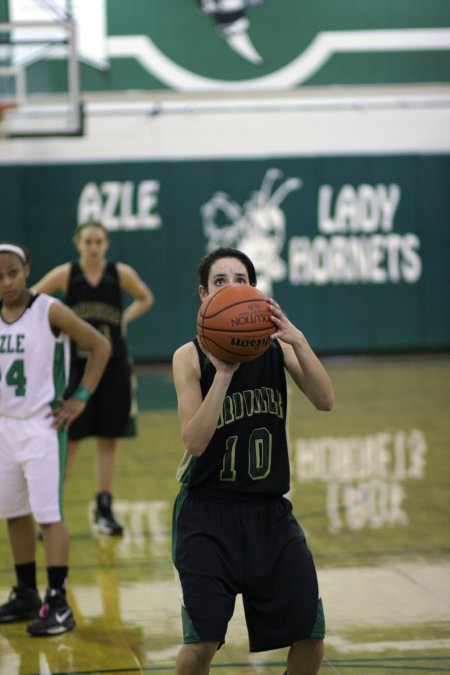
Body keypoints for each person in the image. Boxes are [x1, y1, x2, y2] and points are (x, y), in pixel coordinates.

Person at [171, 247, 335, 675]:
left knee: (311, 640)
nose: (232, 287)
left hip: (270, 515)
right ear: (203, 294)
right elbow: (195, 442)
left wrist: (297, 338)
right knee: (201, 645)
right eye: (220, 281)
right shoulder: (188, 357)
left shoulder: (277, 351)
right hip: (207, 516)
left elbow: (325, 400)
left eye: (241, 279)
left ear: (256, 292)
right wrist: (223, 374)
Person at [0, 242, 111, 636]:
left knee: (48, 514)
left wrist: (80, 396)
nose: (6, 281)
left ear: (27, 269)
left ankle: (59, 601)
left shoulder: (48, 309)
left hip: (43, 425)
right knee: (13, 512)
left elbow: (101, 345)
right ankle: (27, 591)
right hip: (4, 427)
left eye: (12, 271)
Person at [33, 221, 154, 536]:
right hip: (77, 368)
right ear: (78, 244)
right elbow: (33, 301)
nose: (94, 246)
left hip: (113, 367)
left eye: (99, 241)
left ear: (107, 243)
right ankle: (51, 511)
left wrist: (125, 317)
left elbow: (145, 297)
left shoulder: (120, 274)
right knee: (69, 441)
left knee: (108, 440)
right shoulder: (66, 275)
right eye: (88, 241)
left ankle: (103, 509)